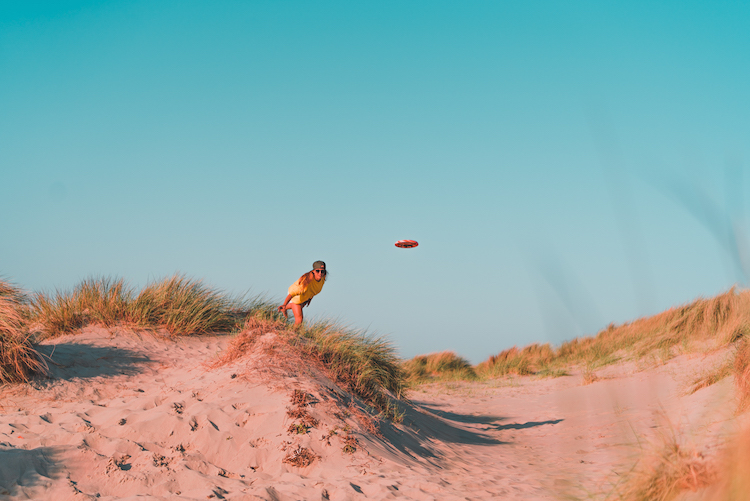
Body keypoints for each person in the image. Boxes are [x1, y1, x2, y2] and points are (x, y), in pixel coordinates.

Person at [278, 261, 327, 326]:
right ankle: (293, 334)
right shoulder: (305, 283)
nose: (320, 273)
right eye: (317, 271)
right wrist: (284, 304)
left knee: (298, 306)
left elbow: (314, 289)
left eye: (322, 271)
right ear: (313, 271)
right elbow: (291, 294)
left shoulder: (322, 279)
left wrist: (310, 298)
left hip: (304, 296)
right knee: (299, 320)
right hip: (296, 296)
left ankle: (282, 309)